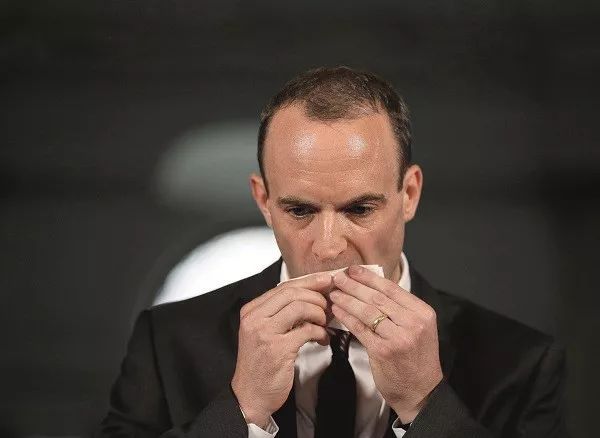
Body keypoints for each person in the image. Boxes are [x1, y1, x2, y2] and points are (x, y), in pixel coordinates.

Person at [96, 67, 566, 438]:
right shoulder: (166, 343)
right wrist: (241, 412)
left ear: (409, 194)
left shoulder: (521, 363)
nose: (328, 248)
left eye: (359, 208)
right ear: (263, 201)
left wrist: (427, 405)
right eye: (299, 210)